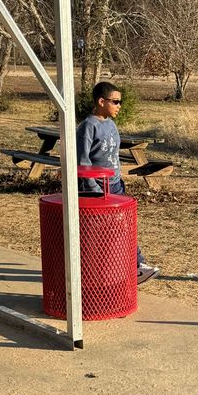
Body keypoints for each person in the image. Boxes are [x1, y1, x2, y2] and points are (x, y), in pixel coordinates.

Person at [76, 81, 159, 285]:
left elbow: (113, 155)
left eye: (120, 102)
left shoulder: (111, 124)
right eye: (115, 101)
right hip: (95, 190)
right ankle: (99, 272)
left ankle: (134, 267)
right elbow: (82, 161)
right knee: (99, 233)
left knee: (124, 227)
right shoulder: (88, 126)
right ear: (101, 101)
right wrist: (93, 189)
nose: (119, 105)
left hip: (115, 186)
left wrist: (118, 181)